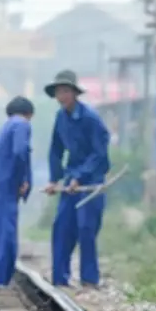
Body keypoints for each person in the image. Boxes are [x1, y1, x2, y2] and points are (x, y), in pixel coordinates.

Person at [44, 69, 110, 288]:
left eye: (65, 91)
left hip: (91, 182)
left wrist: (80, 178)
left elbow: (99, 153)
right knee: (62, 226)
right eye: (58, 92)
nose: (61, 96)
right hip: (71, 179)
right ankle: (60, 278)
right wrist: (55, 179)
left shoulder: (91, 119)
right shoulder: (60, 117)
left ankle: (89, 280)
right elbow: (55, 149)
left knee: (86, 229)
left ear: (74, 93)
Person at [0, 96, 34, 297]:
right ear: (29, 114)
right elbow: (20, 151)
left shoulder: (5, 128)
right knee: (5, 243)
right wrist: (22, 180)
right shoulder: (21, 124)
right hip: (5, 193)